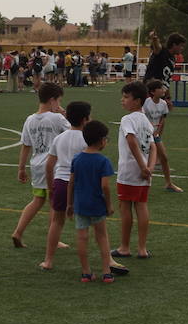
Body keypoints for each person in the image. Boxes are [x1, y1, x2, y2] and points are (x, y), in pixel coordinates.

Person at [12, 81, 67, 249]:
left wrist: (21, 168)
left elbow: (25, 145)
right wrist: (64, 113)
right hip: (53, 167)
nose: (59, 105)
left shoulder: (30, 119)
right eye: (58, 101)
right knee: (55, 203)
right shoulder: (57, 118)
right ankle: (54, 239)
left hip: (36, 165)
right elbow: (75, 132)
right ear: (52, 100)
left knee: (37, 200)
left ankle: (18, 232)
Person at [41, 100, 91, 271]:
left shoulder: (59, 138)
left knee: (57, 221)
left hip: (60, 182)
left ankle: (48, 260)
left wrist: (50, 188)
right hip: (81, 184)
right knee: (89, 224)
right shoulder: (87, 139)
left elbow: (49, 166)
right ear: (85, 119)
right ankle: (106, 261)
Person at [68, 120, 117, 283]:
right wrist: (108, 204)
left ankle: (86, 272)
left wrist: (70, 204)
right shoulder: (103, 161)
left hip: (80, 205)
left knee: (82, 237)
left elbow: (71, 183)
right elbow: (105, 186)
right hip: (97, 204)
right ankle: (106, 272)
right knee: (102, 237)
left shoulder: (77, 159)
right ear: (102, 140)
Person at [111, 81, 156, 260]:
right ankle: (142, 248)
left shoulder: (128, 119)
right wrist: (149, 168)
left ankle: (124, 247)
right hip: (144, 173)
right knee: (142, 206)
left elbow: (131, 141)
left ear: (137, 101)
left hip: (130, 171)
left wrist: (142, 166)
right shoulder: (146, 121)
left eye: (126, 97)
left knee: (125, 207)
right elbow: (153, 147)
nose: (122, 100)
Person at [143, 78, 183, 192]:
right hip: (145, 135)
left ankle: (168, 183)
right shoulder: (146, 103)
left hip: (155, 136)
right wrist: (151, 130)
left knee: (164, 158)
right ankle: (140, 184)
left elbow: (162, 119)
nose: (163, 90)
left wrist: (158, 132)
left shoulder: (163, 104)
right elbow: (143, 118)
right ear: (153, 92)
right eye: (160, 88)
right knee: (143, 160)